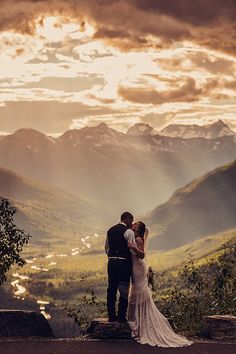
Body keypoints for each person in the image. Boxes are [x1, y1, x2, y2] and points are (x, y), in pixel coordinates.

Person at [127, 221, 193, 347]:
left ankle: (136, 322)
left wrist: (133, 247)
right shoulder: (135, 237)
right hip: (135, 268)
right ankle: (138, 321)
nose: (133, 224)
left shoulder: (139, 239)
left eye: (135, 224)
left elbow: (141, 254)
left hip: (138, 269)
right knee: (136, 291)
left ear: (139, 228)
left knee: (138, 291)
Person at [105, 212, 144, 323]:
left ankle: (111, 316)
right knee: (123, 290)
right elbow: (132, 249)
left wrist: (113, 256)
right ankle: (121, 317)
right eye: (131, 221)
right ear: (127, 219)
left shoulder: (110, 230)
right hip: (123, 264)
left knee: (111, 289)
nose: (131, 223)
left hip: (111, 263)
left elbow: (106, 248)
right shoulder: (128, 232)